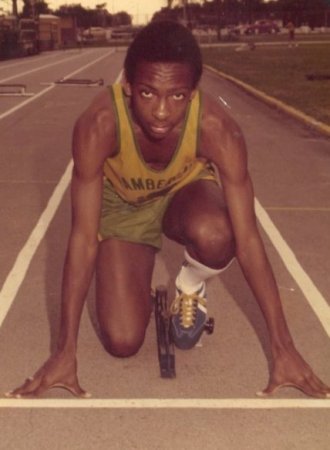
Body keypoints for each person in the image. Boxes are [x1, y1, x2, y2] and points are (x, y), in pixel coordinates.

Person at [6, 21, 329, 399]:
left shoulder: (217, 129)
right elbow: (82, 238)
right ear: (127, 85)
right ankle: (133, 280)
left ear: (193, 93)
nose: (161, 111)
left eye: (176, 96)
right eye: (147, 93)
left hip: (185, 194)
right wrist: (65, 351)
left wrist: (283, 348)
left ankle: (191, 285)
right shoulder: (98, 125)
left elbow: (249, 238)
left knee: (218, 232)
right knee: (123, 340)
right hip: (123, 205)